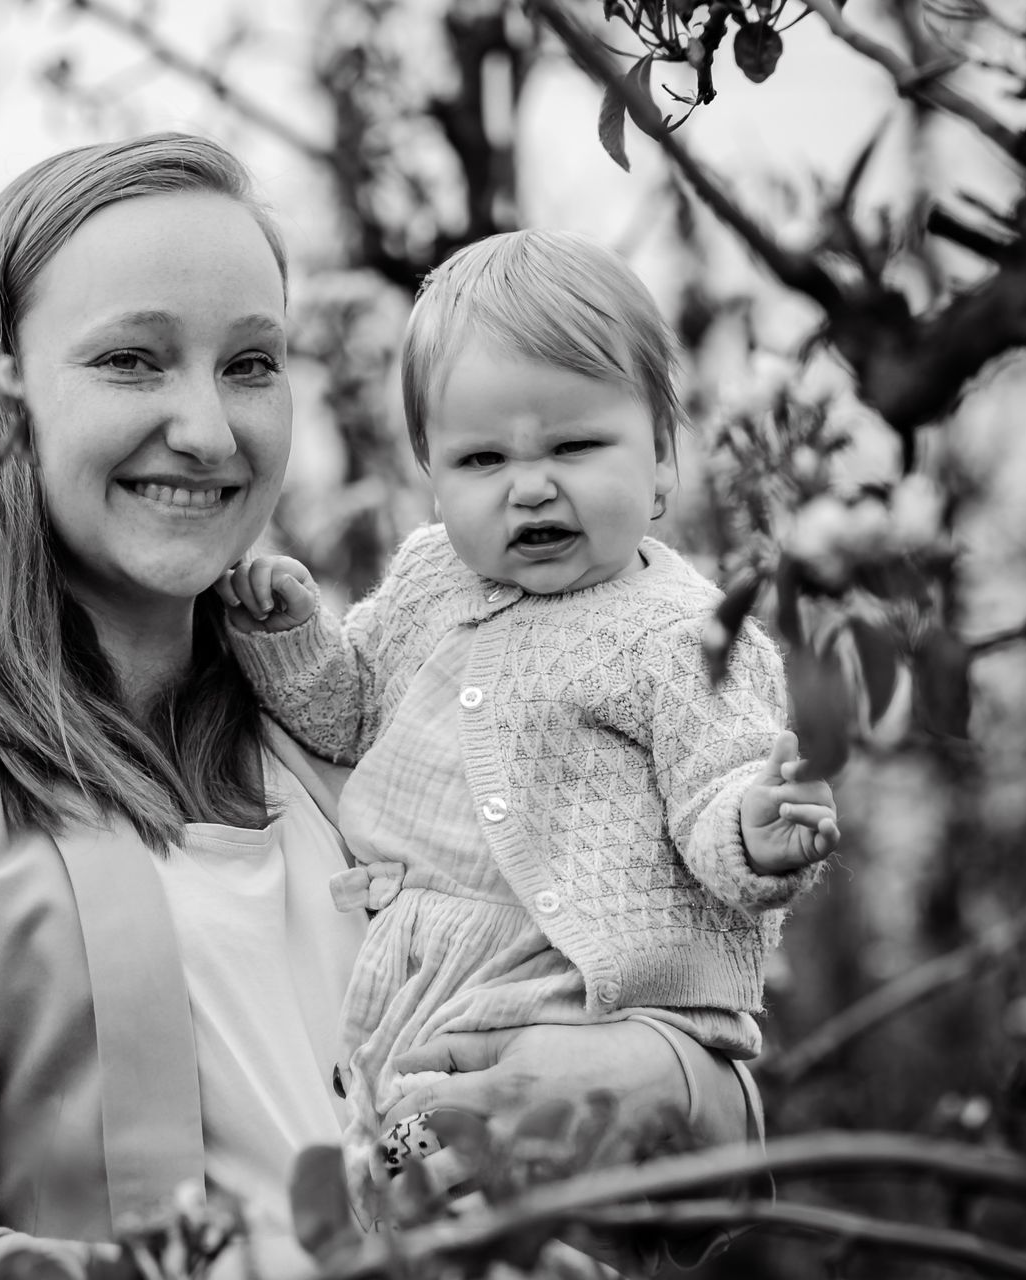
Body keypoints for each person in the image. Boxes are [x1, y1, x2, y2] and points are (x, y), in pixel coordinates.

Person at [0, 138, 761, 1280]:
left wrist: (654, 1080)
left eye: (251, 363)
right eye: (133, 360)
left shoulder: (351, 724)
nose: (208, 429)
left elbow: (722, 1152)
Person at [217, 229, 841, 1214]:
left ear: (665, 459)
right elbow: (351, 711)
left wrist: (756, 830)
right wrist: (294, 637)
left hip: (580, 981)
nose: (531, 483)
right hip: (422, 962)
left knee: (435, 1138)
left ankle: (376, 1208)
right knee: (404, 1121)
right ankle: (374, 1213)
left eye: (577, 445)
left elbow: (719, 785)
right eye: (481, 458)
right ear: (434, 478)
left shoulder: (683, 633)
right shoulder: (430, 577)